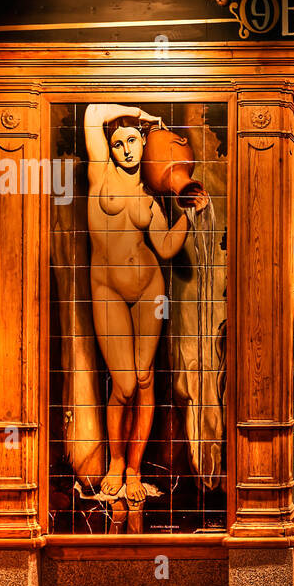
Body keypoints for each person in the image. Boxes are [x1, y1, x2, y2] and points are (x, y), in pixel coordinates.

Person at [85, 103, 210, 502]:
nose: (126, 149)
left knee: (143, 378)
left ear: (143, 145)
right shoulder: (99, 173)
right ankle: (115, 462)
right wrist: (141, 114)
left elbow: (165, 246)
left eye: (134, 141)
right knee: (122, 384)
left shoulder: (152, 199)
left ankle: (134, 469)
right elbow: (92, 113)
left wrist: (188, 214)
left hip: (150, 288)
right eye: (118, 142)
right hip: (107, 289)